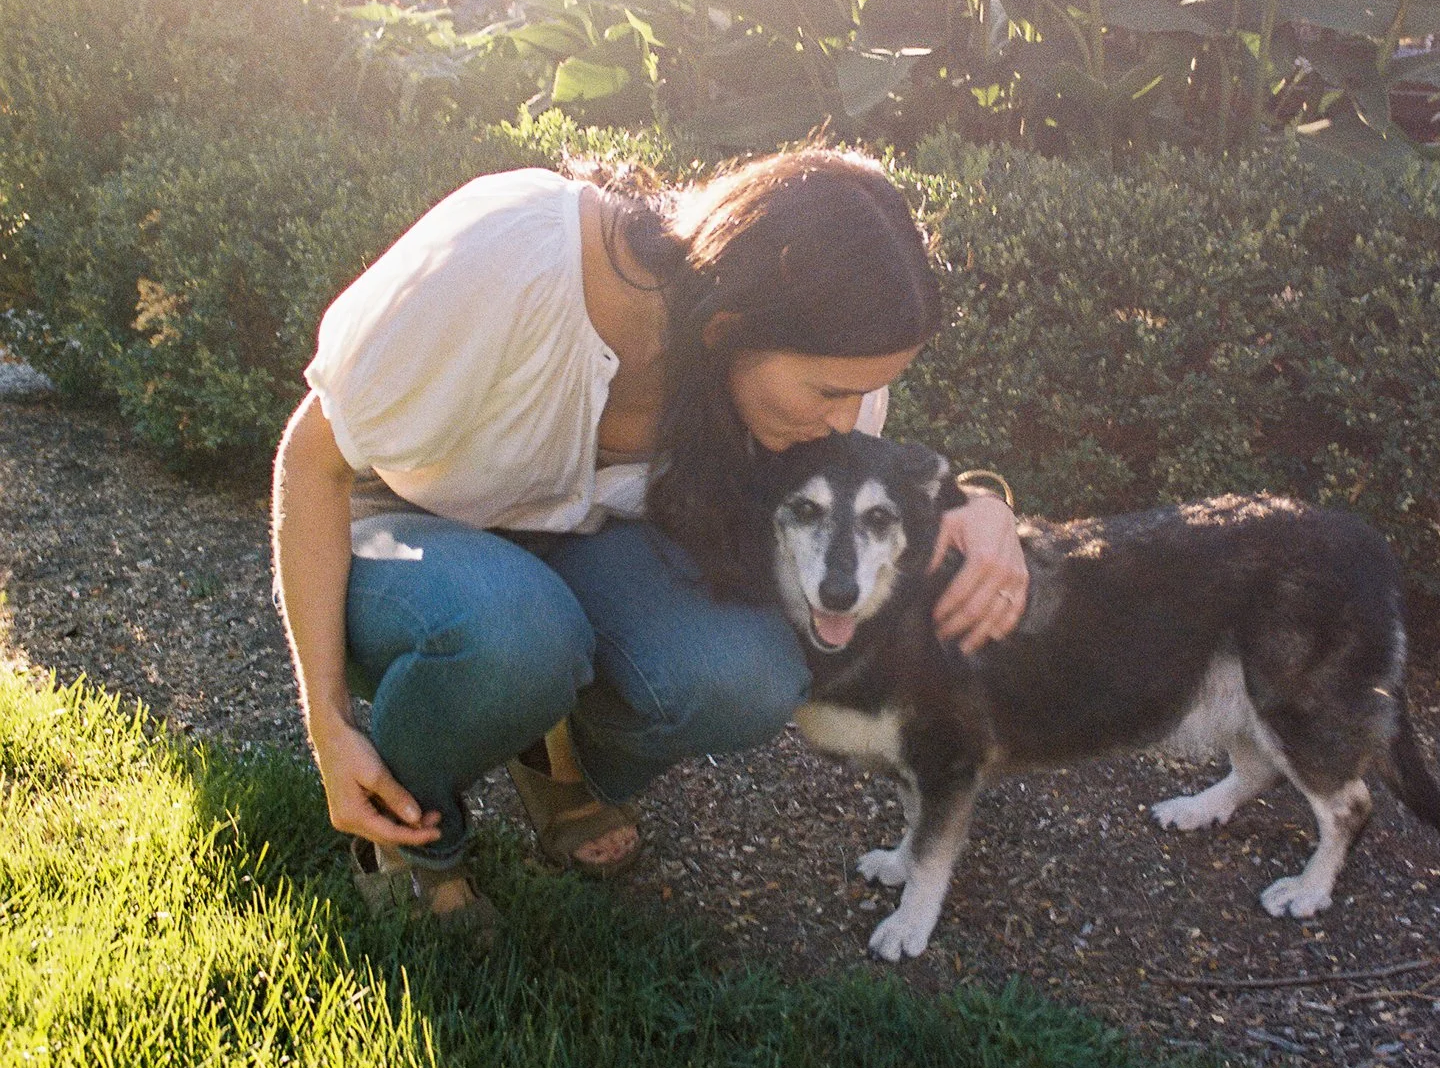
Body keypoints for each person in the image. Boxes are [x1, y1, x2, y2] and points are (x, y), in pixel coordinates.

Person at [271, 147, 1029, 925]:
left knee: (748, 675)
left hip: (575, 541)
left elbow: (871, 481)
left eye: (867, 391)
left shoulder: (810, 382)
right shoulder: (510, 256)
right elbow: (311, 459)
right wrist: (327, 721)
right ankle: (405, 831)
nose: (849, 420)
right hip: (398, 523)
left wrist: (982, 505)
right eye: (833, 392)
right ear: (729, 327)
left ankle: (557, 760)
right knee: (518, 632)